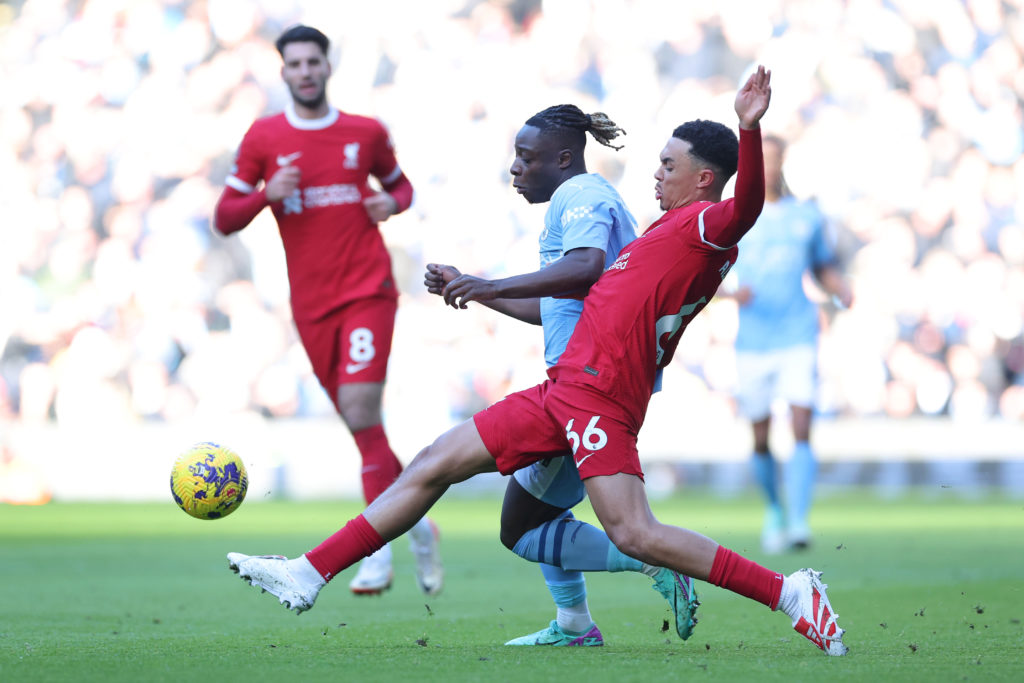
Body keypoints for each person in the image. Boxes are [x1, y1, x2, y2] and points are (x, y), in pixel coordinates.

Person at [226, 66, 849, 657]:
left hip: (601, 397)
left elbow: (746, 211)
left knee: (635, 533)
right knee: (434, 463)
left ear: (705, 179)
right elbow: (573, 300)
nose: (656, 174)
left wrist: (748, 126)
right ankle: (309, 572)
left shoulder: (706, 227)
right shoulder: (660, 233)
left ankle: (789, 592)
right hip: (564, 390)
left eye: (668, 165)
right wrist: (483, 291)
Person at [423, 104, 697, 647]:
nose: (516, 168)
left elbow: (587, 265)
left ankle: (657, 562)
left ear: (564, 158)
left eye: (526, 157)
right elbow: (559, 301)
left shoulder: (584, 197)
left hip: (588, 391)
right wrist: (475, 290)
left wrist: (491, 284)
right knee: (537, 516)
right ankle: (575, 623)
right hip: (585, 385)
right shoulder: (575, 202)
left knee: (521, 530)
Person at [211, 25, 442, 597]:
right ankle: (420, 527)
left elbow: (402, 188)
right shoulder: (265, 138)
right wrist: (267, 193)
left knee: (362, 407)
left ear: (327, 67)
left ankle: (376, 552)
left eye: (314, 61)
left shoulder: (363, 133)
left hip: (367, 292)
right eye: (295, 63)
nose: (306, 71)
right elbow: (224, 216)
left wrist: (390, 202)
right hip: (311, 307)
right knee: (365, 432)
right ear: (284, 72)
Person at [726, 134, 854, 553]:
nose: (766, 168)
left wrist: (841, 288)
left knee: (801, 426)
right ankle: (775, 509)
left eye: (772, 159)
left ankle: (799, 520)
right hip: (753, 340)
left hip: (798, 333)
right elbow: (709, 270)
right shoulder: (736, 216)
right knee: (760, 436)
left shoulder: (805, 216)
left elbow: (821, 266)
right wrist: (730, 295)